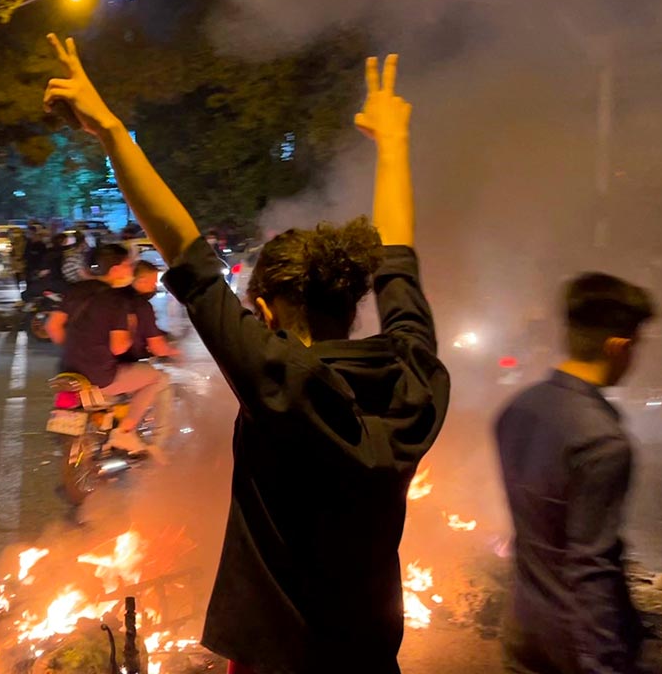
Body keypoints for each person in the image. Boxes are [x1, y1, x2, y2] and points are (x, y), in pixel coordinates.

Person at [44, 35, 448, 672]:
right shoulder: (414, 377)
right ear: (354, 297)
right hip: (371, 656)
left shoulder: (278, 380)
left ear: (264, 312)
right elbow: (401, 262)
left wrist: (113, 131)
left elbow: (184, 251)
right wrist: (394, 145)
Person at [496, 274, 662, 674]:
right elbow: (592, 567)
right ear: (617, 346)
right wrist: (605, 662)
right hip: (572, 649)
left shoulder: (517, 410)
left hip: (521, 628)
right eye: (636, 346)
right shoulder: (602, 441)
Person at [46, 243, 166, 455]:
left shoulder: (75, 290)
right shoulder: (116, 300)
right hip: (100, 375)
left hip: (68, 370)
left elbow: (53, 327)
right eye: (128, 265)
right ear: (115, 270)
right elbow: (119, 348)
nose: (131, 270)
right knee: (156, 378)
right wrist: (130, 332)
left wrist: (77, 346)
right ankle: (126, 432)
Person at [119, 260, 180, 363]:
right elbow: (158, 348)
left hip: (102, 359)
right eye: (153, 282)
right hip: (124, 363)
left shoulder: (115, 297)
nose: (155, 287)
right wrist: (178, 353)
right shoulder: (142, 306)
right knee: (162, 377)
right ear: (142, 280)